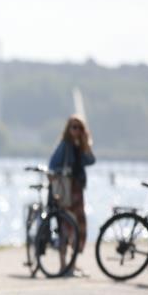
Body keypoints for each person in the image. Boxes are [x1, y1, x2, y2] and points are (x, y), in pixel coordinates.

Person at [47, 114, 96, 274]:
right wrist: (58, 173)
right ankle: (63, 264)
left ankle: (73, 264)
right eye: (73, 127)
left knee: (79, 228)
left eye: (79, 127)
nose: (76, 130)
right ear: (68, 129)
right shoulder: (64, 145)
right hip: (66, 191)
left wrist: (85, 143)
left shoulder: (80, 146)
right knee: (65, 228)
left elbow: (91, 160)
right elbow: (53, 164)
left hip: (78, 191)